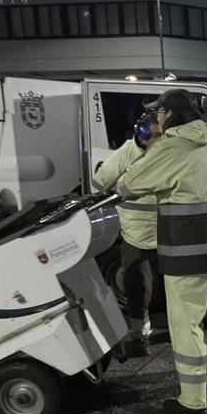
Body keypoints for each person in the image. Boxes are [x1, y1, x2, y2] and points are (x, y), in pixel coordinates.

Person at [116, 89, 207, 414]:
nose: (156, 119)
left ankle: (192, 400)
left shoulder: (171, 147)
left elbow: (127, 185)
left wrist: (154, 151)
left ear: (169, 114)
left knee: (187, 327)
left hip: (187, 255)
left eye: (158, 113)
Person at [92, 110, 161, 358]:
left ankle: (184, 331)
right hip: (135, 231)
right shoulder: (126, 153)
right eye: (152, 135)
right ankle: (140, 337)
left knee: (176, 285)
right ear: (141, 133)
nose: (155, 141)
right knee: (136, 285)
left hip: (165, 229)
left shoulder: (165, 152)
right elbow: (100, 182)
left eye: (159, 135)